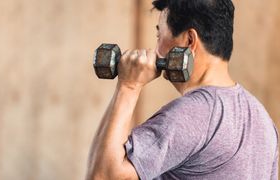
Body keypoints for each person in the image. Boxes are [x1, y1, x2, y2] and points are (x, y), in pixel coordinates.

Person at [86, 0, 279, 179]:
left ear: (189, 41)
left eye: (159, 35)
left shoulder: (194, 114)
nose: (156, 50)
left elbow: (102, 176)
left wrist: (128, 86)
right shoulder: (263, 120)